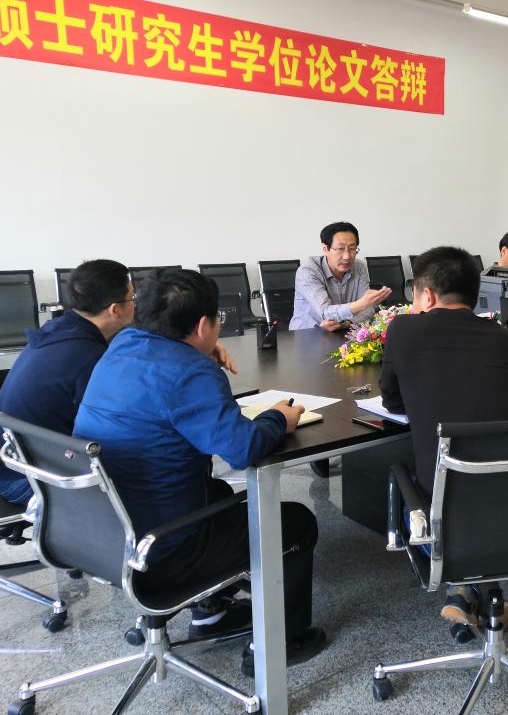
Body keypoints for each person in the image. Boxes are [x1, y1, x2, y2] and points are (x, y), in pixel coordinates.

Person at [73, 269, 325, 677]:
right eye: (218, 321)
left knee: (219, 493)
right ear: (204, 325)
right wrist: (279, 418)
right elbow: (242, 449)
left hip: (100, 530)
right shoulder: (191, 373)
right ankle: (282, 642)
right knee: (294, 522)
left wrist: (199, 353)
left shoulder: (122, 345)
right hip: (161, 548)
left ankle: (211, 612)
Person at [379, 246, 508, 627]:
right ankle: (474, 590)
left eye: (415, 296)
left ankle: (462, 585)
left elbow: (392, 400)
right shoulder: (505, 340)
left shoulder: (403, 330)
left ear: (427, 296)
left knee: (416, 474)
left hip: (443, 509)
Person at [0, 260, 135, 505]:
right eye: (132, 297)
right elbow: (109, 429)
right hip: (29, 479)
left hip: (8, 462)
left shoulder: (59, 331)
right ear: (115, 309)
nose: (135, 303)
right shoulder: (87, 357)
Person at [290, 221, 392, 331]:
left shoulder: (359, 267)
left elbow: (368, 310)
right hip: (306, 334)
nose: (347, 256)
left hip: (342, 332)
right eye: (340, 249)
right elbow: (326, 312)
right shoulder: (308, 271)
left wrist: (347, 323)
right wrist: (363, 303)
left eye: (352, 249)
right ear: (325, 249)